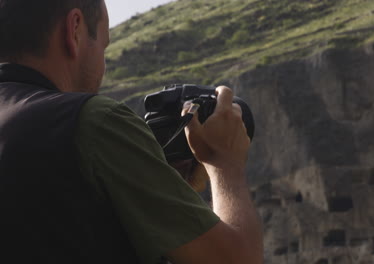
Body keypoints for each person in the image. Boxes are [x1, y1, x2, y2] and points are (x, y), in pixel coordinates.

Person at [0, 0, 263, 263]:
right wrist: (225, 163)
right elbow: (237, 259)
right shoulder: (91, 121)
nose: (102, 67)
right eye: (103, 47)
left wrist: (161, 185)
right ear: (75, 29)